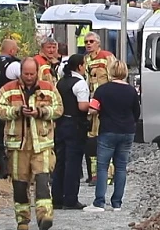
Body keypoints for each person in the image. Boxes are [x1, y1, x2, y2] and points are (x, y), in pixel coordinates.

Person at [0, 57, 63, 230]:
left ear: (37, 72)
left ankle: (44, 216)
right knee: (19, 183)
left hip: (42, 143)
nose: (30, 77)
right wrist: (16, 111)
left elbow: (59, 108)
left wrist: (41, 112)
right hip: (18, 145)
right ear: (21, 73)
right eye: (26, 73)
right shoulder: (7, 90)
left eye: (32, 73)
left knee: (42, 180)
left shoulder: (48, 89)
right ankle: (22, 219)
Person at [84, 61, 141, 212]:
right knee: (121, 167)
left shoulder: (102, 90)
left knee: (102, 166)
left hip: (108, 130)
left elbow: (93, 109)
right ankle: (117, 203)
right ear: (125, 73)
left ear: (110, 71)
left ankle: (99, 202)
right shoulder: (131, 91)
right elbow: (137, 112)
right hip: (127, 131)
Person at [52, 55, 90, 210]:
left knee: (60, 161)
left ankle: (57, 197)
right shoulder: (80, 83)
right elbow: (82, 106)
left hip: (60, 123)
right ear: (80, 66)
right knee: (73, 163)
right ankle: (70, 198)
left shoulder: (61, 82)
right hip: (75, 124)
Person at [84, 32, 118, 185]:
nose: (88, 44)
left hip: (105, 103)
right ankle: (94, 175)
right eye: (86, 42)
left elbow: (114, 78)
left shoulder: (107, 57)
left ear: (98, 43)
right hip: (92, 103)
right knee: (92, 139)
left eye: (91, 41)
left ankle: (109, 174)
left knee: (105, 138)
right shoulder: (85, 60)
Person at [0, 38, 21, 180]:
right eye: (16, 50)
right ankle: (8, 166)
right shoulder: (13, 65)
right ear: (11, 50)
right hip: (8, 103)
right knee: (11, 133)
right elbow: (25, 80)